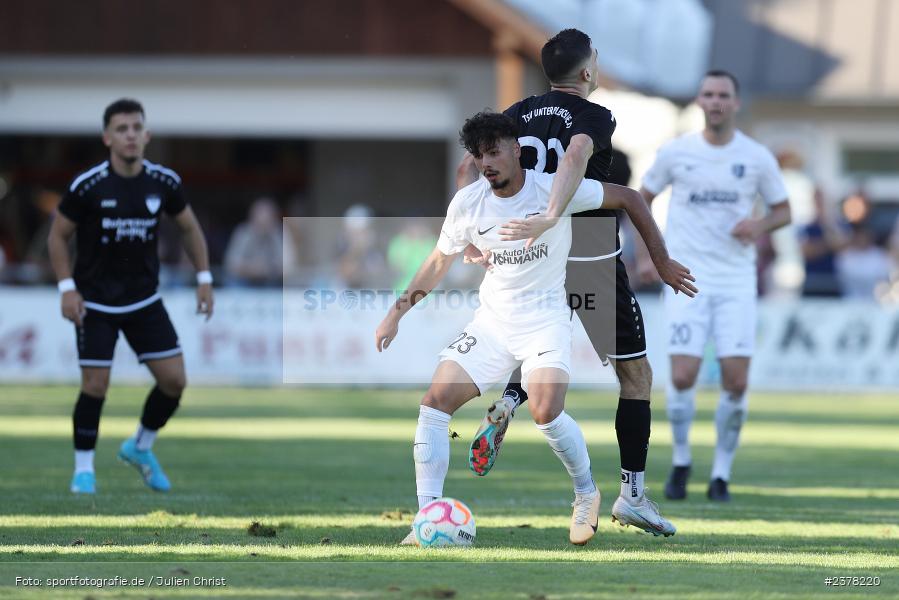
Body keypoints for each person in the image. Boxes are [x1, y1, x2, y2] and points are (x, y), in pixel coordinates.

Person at [377, 112, 694, 545]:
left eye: (494, 152)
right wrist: (396, 313)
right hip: (492, 323)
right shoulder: (468, 203)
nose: (486, 163)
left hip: (545, 321)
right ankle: (426, 519)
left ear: (516, 150)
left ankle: (586, 493)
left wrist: (661, 261)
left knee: (545, 410)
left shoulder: (553, 190)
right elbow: (436, 262)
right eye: (479, 155)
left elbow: (630, 198)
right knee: (434, 404)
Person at [457, 29, 693, 532]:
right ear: (588, 71)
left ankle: (508, 401)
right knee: (636, 376)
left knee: (541, 346)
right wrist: (661, 261)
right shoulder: (594, 115)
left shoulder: (517, 113)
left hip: (529, 255)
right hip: (589, 255)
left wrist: (474, 239)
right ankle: (632, 495)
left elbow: (466, 170)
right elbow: (578, 154)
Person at [638, 70, 792, 502]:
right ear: (700, 102)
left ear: (736, 103)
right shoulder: (677, 152)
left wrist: (759, 225)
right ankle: (682, 461)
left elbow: (784, 211)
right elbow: (641, 198)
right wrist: (651, 255)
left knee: (736, 382)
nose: (716, 101)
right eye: (708, 94)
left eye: (724, 94)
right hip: (687, 278)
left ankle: (721, 474)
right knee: (682, 375)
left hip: (736, 282)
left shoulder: (756, 156)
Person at [47, 98, 214, 495]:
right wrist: (67, 288)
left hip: (143, 300)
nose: (130, 136)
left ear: (147, 135)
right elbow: (57, 236)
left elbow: (189, 228)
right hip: (95, 302)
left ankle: (140, 446)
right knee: (95, 385)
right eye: (122, 129)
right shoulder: (88, 185)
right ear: (107, 138)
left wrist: (205, 277)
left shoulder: (163, 182)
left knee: (174, 381)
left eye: (137, 128)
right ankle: (83, 472)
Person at [223, 196, 283, 287]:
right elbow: (231, 264)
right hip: (244, 281)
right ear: (252, 218)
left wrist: (267, 269)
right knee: (232, 282)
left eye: (268, 220)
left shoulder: (277, 234)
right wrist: (251, 268)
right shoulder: (243, 232)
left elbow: (287, 266)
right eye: (260, 221)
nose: (264, 225)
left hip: (270, 282)